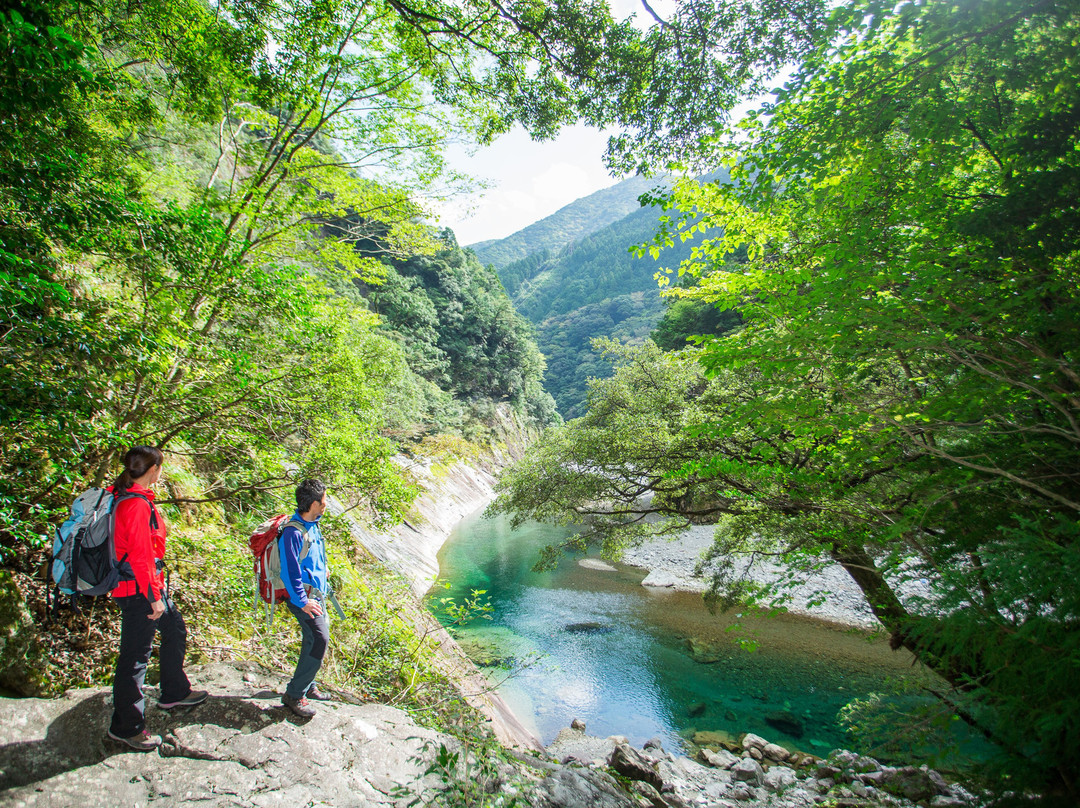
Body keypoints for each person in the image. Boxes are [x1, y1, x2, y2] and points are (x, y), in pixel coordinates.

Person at [107, 446, 207, 751]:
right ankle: (127, 726)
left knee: (175, 628)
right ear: (154, 470)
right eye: (161, 467)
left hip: (144, 585)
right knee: (136, 657)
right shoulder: (135, 504)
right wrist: (153, 597)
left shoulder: (122, 494)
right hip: (140, 590)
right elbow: (140, 555)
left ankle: (174, 690)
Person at [279, 478, 333, 717]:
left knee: (313, 639)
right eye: (323, 501)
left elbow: (313, 557)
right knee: (319, 639)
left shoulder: (313, 524)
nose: (325, 504)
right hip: (305, 599)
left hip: (316, 595)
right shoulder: (293, 532)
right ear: (313, 504)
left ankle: (308, 684)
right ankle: (294, 694)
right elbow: (288, 571)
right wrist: (302, 601)